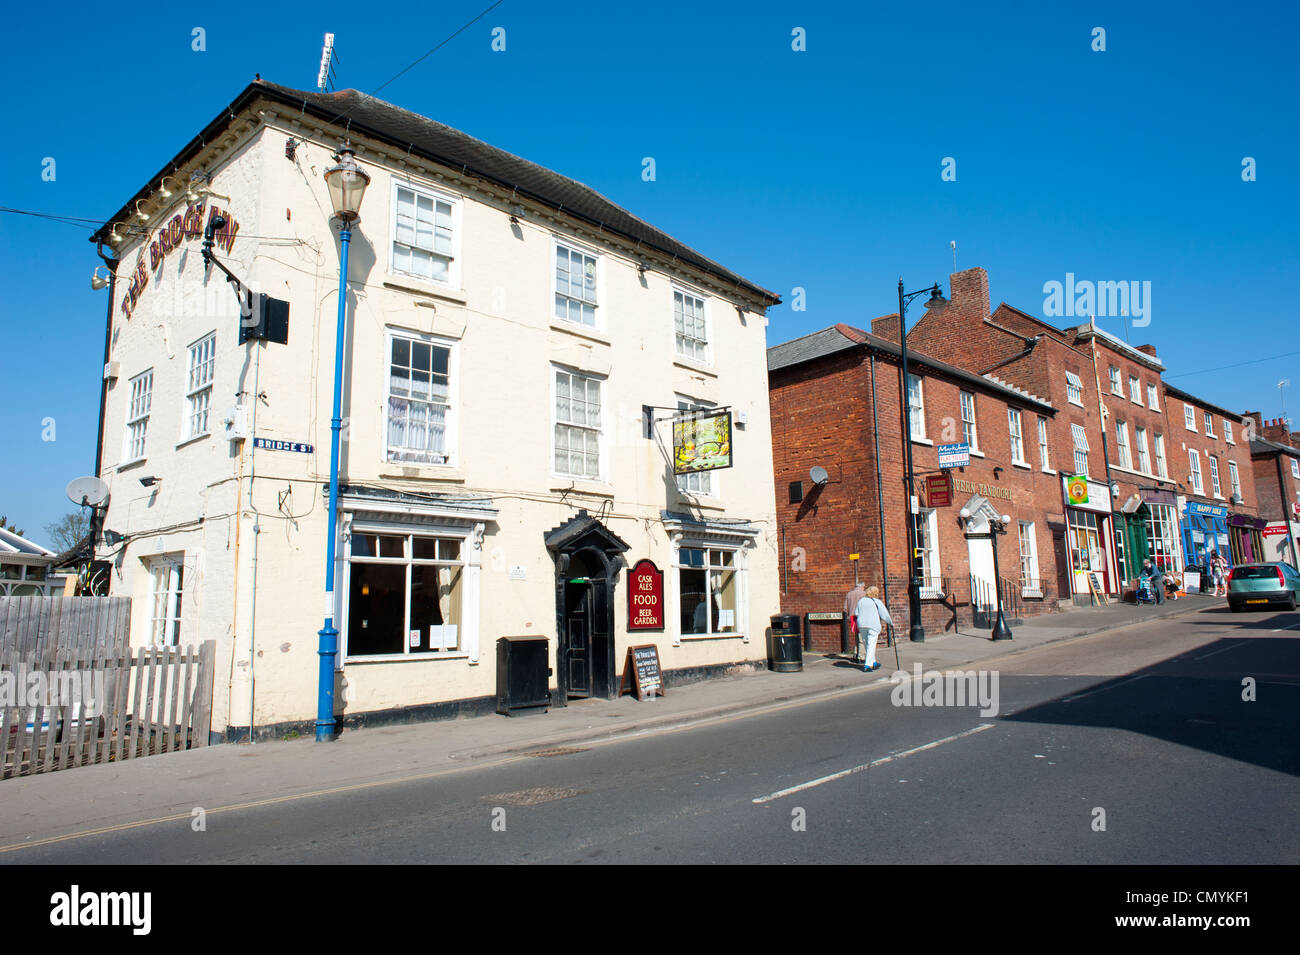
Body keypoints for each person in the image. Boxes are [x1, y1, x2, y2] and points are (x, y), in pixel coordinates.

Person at [854, 585, 893, 672]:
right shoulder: (876, 601)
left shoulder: (861, 601)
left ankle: (873, 662)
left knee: (867, 644)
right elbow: (884, 614)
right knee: (871, 645)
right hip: (873, 625)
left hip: (862, 625)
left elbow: (856, 613)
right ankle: (867, 665)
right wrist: (890, 622)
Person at [844, 582, 865, 662]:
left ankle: (855, 654)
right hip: (861, 616)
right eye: (864, 587)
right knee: (861, 638)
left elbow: (845, 608)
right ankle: (861, 657)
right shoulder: (863, 594)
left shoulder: (849, 594)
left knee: (856, 636)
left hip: (852, 617)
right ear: (862, 586)